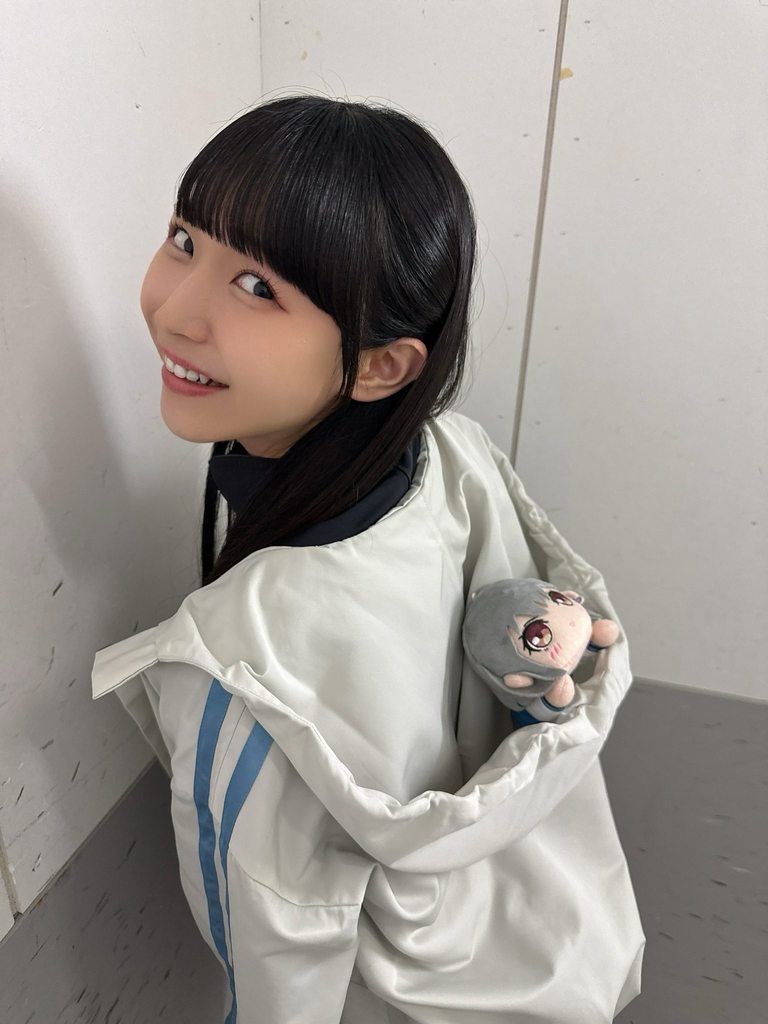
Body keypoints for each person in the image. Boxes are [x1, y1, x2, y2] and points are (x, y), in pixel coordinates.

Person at [91, 94, 645, 1024]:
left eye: (257, 287)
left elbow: (278, 964)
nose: (175, 312)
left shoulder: (236, 668)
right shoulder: (452, 455)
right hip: (558, 948)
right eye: (184, 240)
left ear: (380, 365)